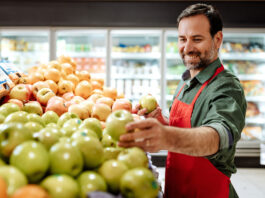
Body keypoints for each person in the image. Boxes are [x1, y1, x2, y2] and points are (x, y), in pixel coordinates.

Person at [118, 3, 246, 198]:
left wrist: (168, 136)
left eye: (196, 39)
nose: (187, 47)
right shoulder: (186, 81)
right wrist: (164, 123)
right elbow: (190, 130)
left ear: (217, 39)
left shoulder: (227, 86)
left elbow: (217, 137)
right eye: (182, 39)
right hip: (177, 188)